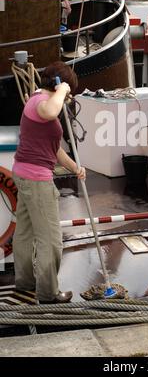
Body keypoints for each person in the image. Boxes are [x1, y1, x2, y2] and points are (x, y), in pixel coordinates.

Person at [12, 61, 86, 304]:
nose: (68, 97)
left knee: (25, 233)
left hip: (23, 174)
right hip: (36, 180)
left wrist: (75, 167)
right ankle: (48, 293)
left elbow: (53, 150)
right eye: (68, 90)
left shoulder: (38, 101)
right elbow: (50, 111)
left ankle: (25, 283)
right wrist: (63, 90)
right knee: (50, 239)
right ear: (57, 85)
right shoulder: (40, 103)